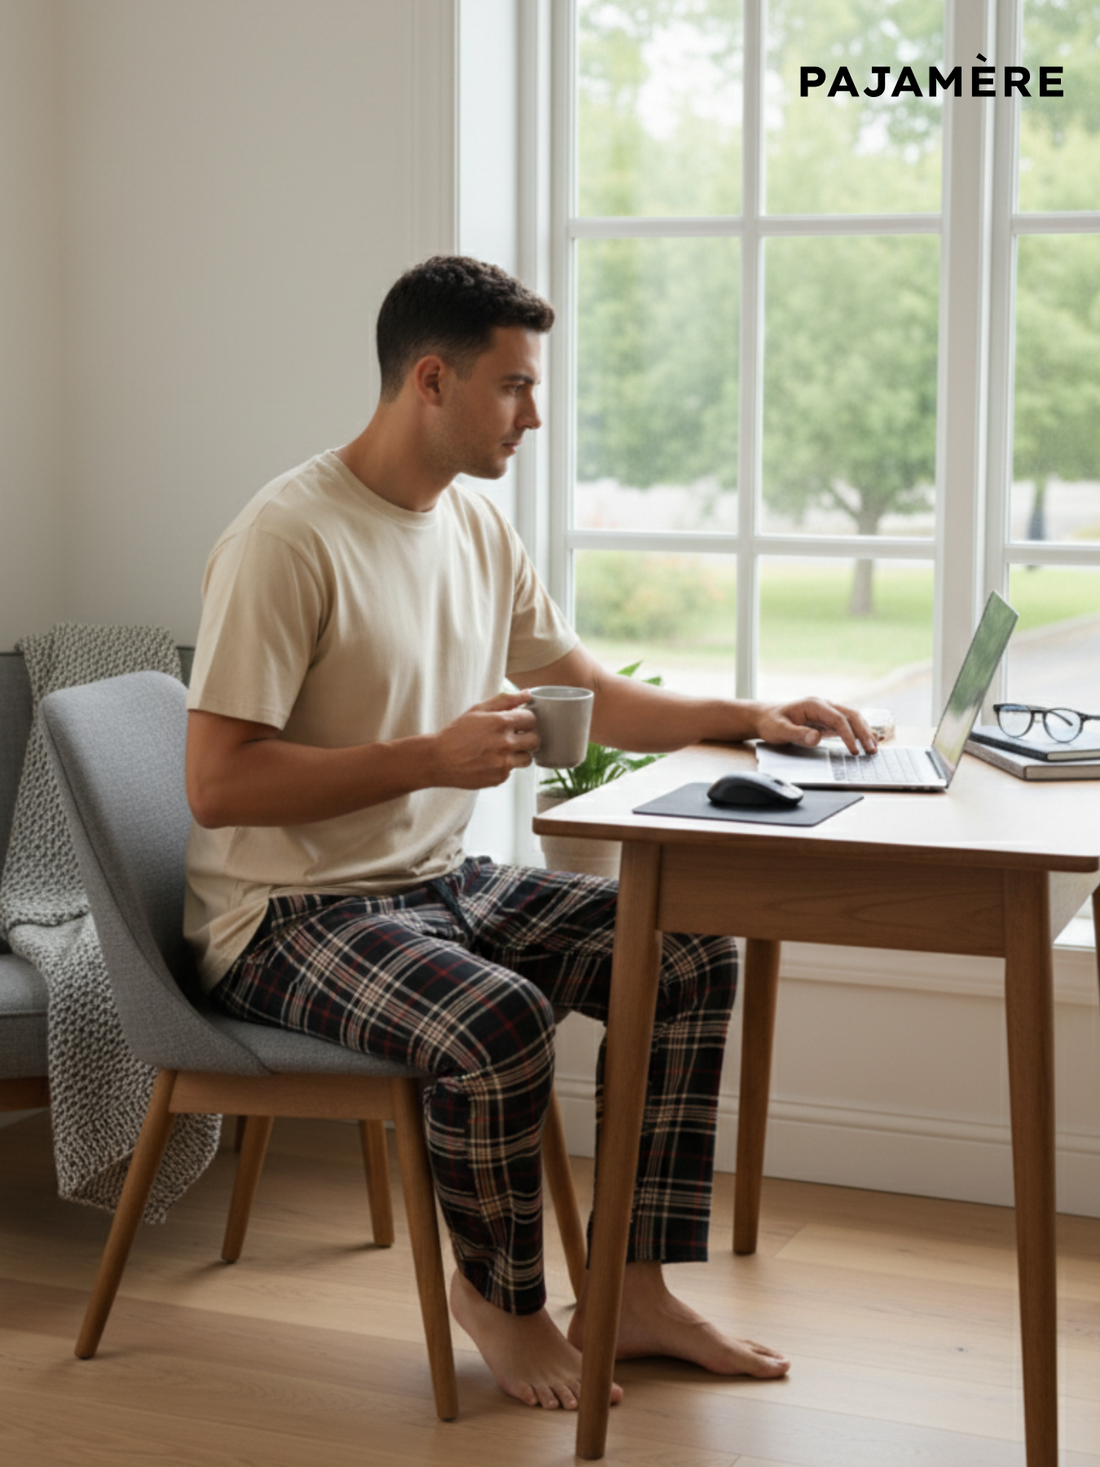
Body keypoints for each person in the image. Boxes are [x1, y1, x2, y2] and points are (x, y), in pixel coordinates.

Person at [183, 255, 876, 1412]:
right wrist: (426, 758)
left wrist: (748, 713)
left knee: (686, 948)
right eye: (514, 387)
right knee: (495, 1018)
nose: (535, 414)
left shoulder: (474, 527)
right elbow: (214, 783)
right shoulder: (286, 537)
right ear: (432, 380)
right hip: (285, 917)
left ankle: (636, 1289)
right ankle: (499, 1302)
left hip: (432, 883)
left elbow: (586, 691)